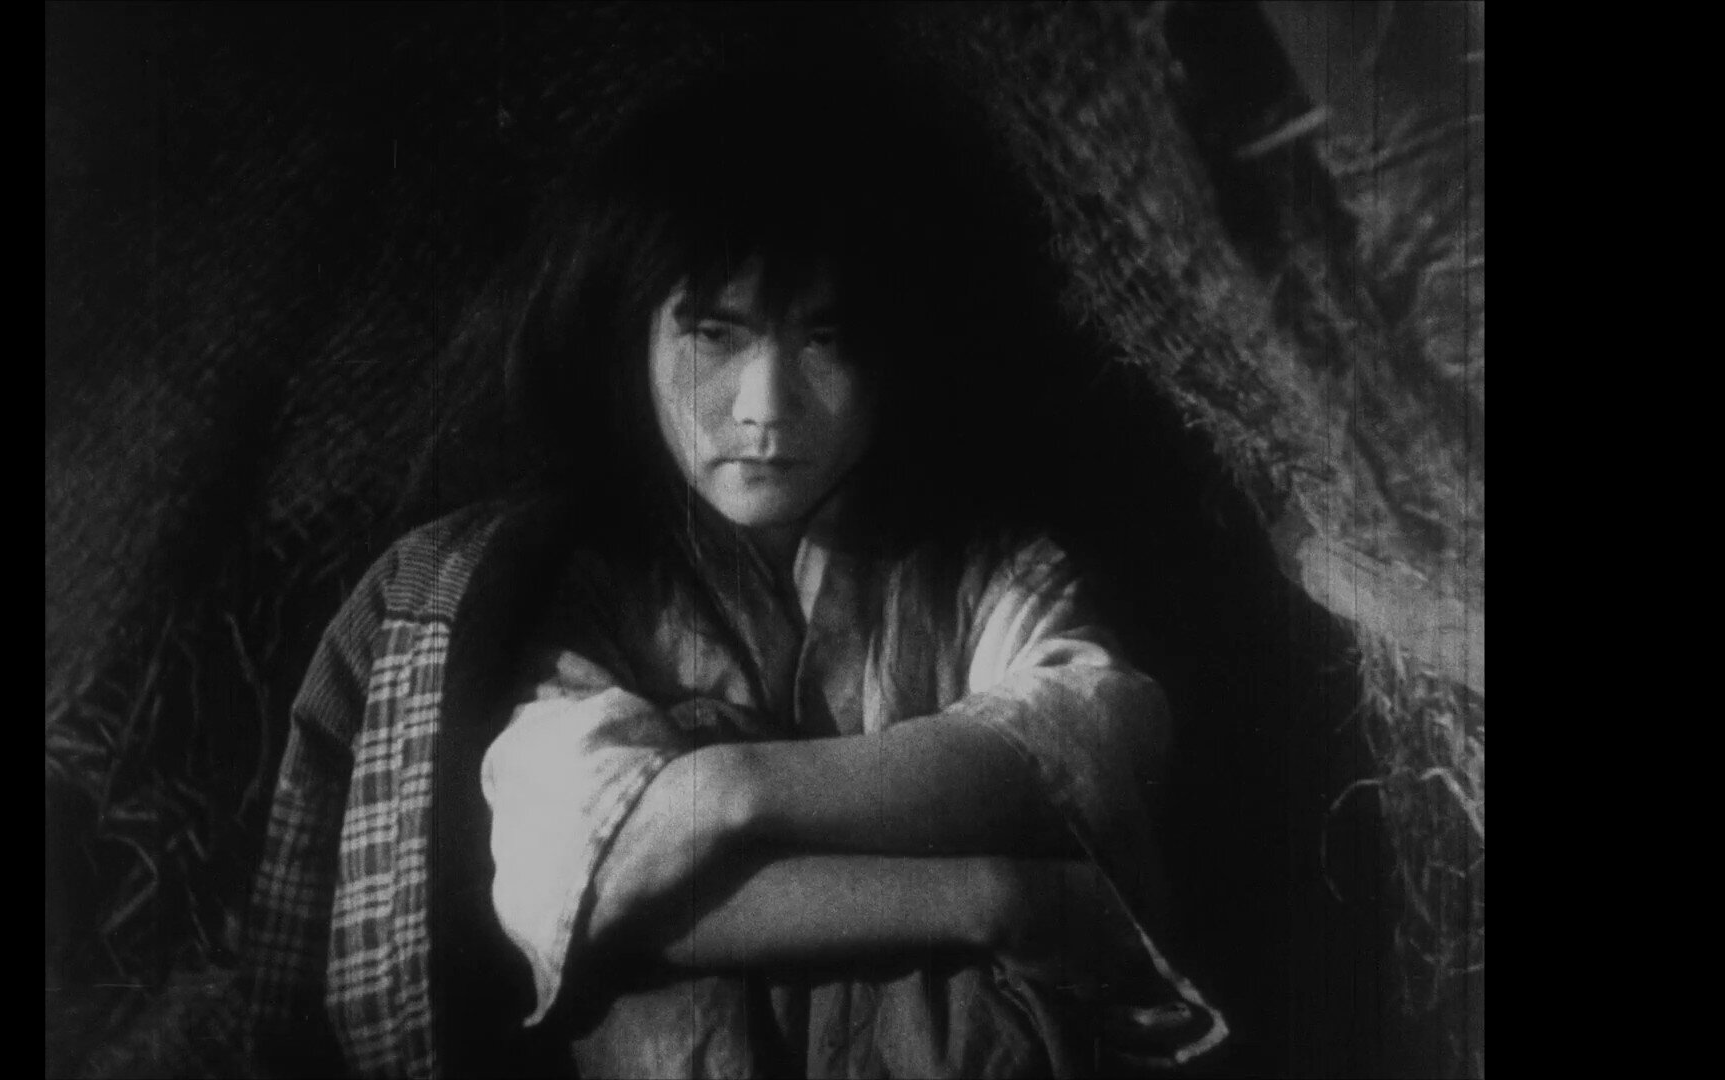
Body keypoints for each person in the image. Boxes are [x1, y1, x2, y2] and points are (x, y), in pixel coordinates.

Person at [248, 63, 1227, 1079]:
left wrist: (719, 798)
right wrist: (988, 896)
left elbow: (1090, 733)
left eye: (827, 340)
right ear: (631, 333)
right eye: (715, 335)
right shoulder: (579, 589)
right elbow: (584, 877)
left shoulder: (977, 567)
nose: (764, 407)